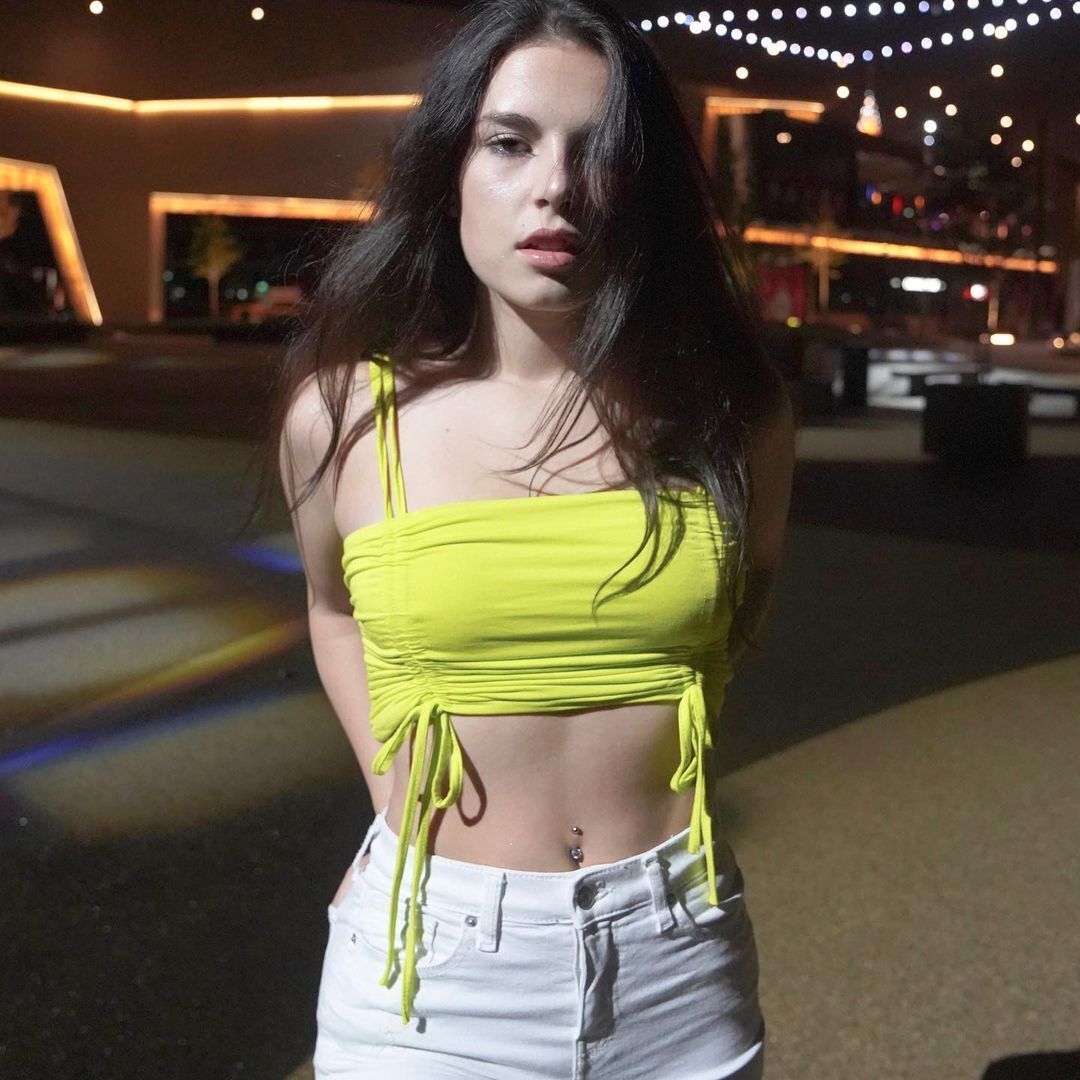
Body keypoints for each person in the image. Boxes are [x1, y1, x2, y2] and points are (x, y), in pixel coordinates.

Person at [263, 0, 795, 1075]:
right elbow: (332, 608)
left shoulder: (733, 417)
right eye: (510, 142)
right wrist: (392, 795)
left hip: (677, 961)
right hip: (433, 971)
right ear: (449, 170)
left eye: (600, 152)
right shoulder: (346, 417)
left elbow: (744, 604)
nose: (556, 185)